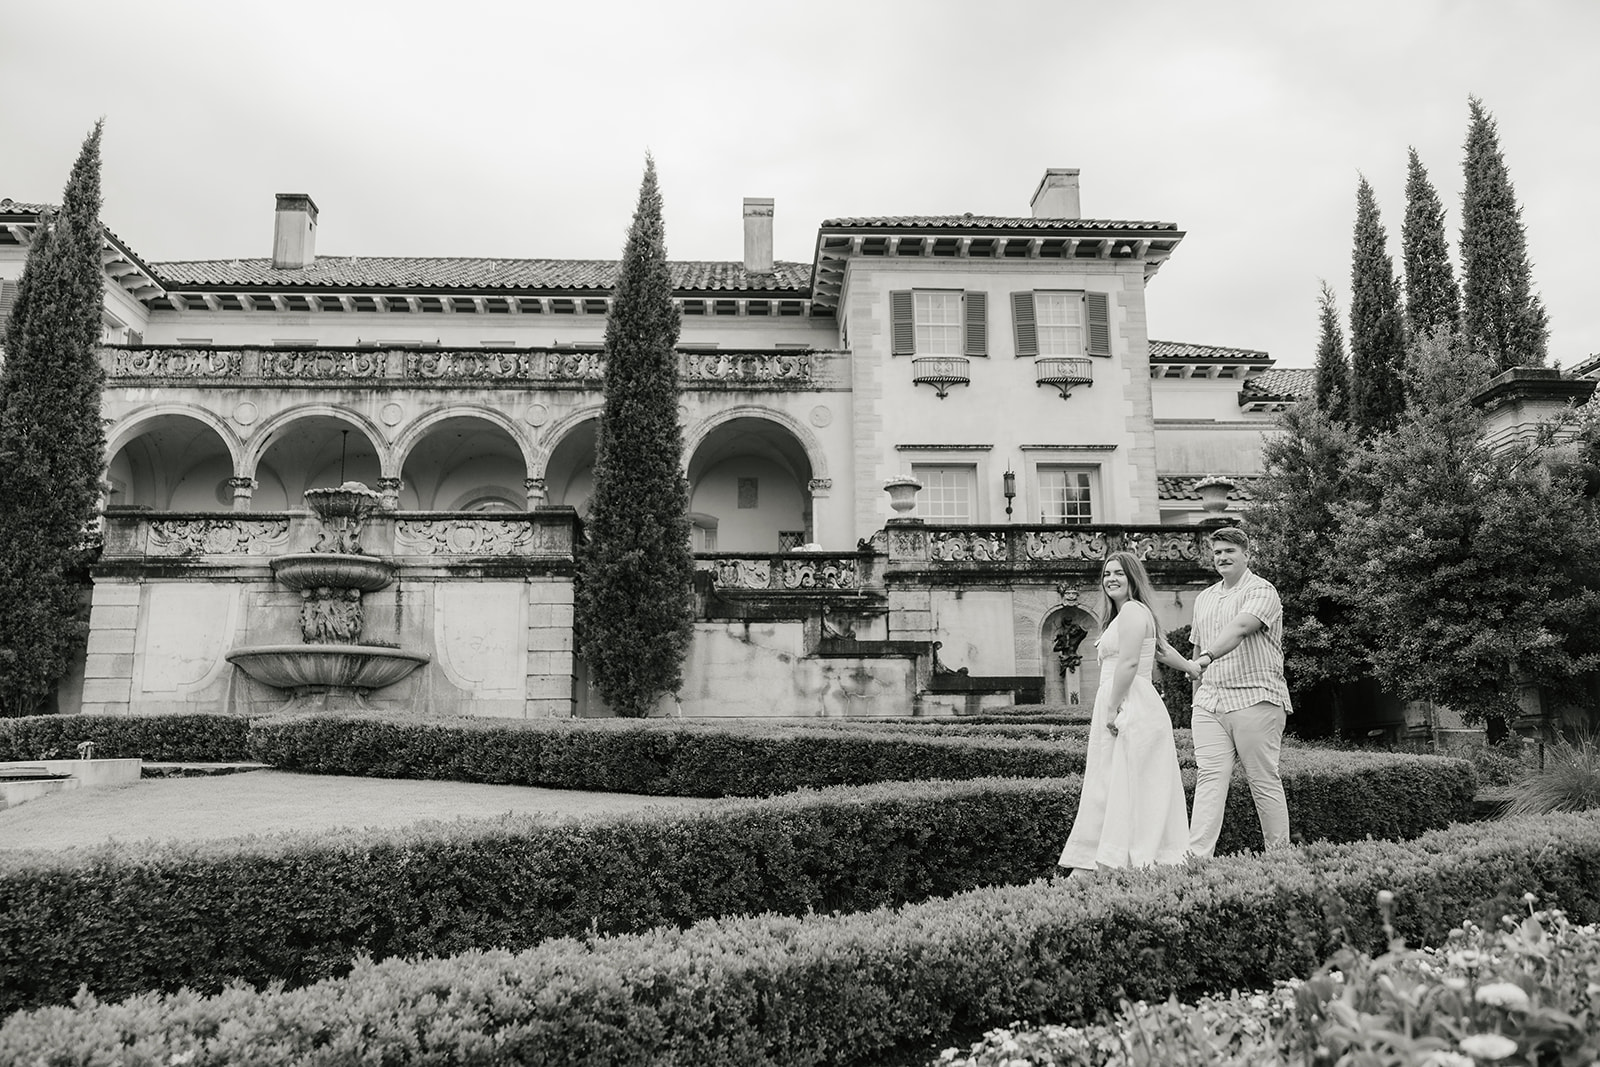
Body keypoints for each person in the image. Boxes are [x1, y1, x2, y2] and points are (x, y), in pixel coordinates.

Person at [1058, 551, 1190, 876]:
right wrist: (1191, 667)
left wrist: (1113, 707)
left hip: (1130, 701)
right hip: (1125, 698)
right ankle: (1114, 857)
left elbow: (1130, 663)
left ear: (1132, 577)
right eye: (1106, 574)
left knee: (1123, 781)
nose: (1111, 579)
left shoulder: (1132, 610)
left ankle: (1121, 859)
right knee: (1119, 781)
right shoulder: (1125, 615)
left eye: (1118, 573)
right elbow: (1161, 648)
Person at [1172, 526, 1293, 857]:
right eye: (1217, 553)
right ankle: (1196, 860)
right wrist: (1197, 694)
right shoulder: (1205, 597)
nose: (1222, 557)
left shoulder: (1262, 591)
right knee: (1209, 779)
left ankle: (1280, 856)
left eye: (1229, 552)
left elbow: (1240, 629)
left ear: (1246, 555)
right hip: (1210, 702)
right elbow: (1196, 649)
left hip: (1255, 698)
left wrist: (1207, 657)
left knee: (1263, 780)